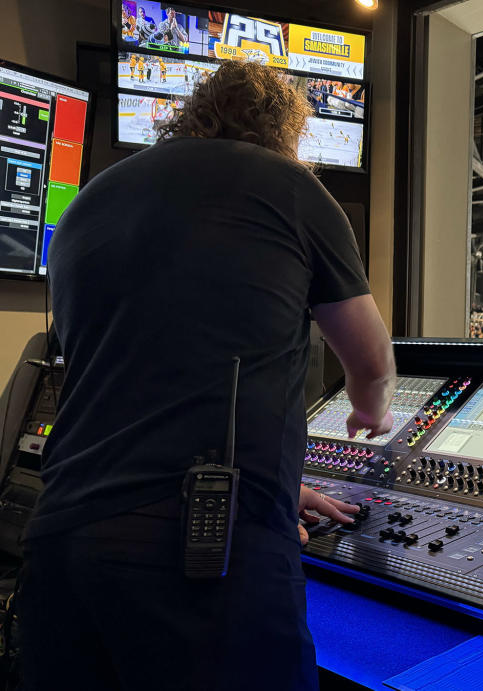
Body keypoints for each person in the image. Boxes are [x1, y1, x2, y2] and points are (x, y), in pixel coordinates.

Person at [16, 60, 396, 691]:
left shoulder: (88, 204)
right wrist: (371, 410)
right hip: (201, 557)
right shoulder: (289, 184)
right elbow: (370, 359)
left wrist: (270, 483)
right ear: (283, 131)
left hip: (62, 548)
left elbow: (134, 385)